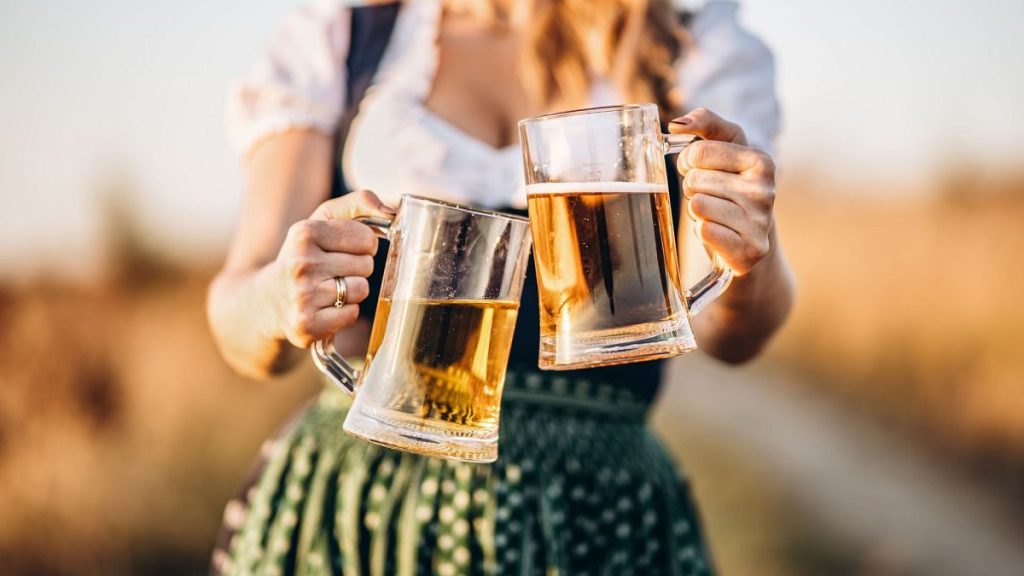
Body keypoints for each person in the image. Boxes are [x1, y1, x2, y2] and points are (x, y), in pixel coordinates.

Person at [207, 0, 794, 573]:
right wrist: (276, 298)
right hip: (363, 503)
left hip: (596, 510)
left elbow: (732, 335)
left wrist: (746, 254)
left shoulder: (688, 43)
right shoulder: (346, 38)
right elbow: (239, 317)